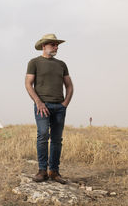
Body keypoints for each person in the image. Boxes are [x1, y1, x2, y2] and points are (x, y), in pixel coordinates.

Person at [25, 34, 74, 184]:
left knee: (57, 140)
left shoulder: (62, 64)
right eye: (53, 44)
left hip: (59, 107)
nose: (56, 47)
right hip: (42, 106)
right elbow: (28, 84)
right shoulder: (34, 62)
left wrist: (65, 104)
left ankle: (54, 171)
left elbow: (69, 86)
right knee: (43, 135)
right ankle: (42, 171)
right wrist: (38, 102)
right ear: (44, 46)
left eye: (57, 45)